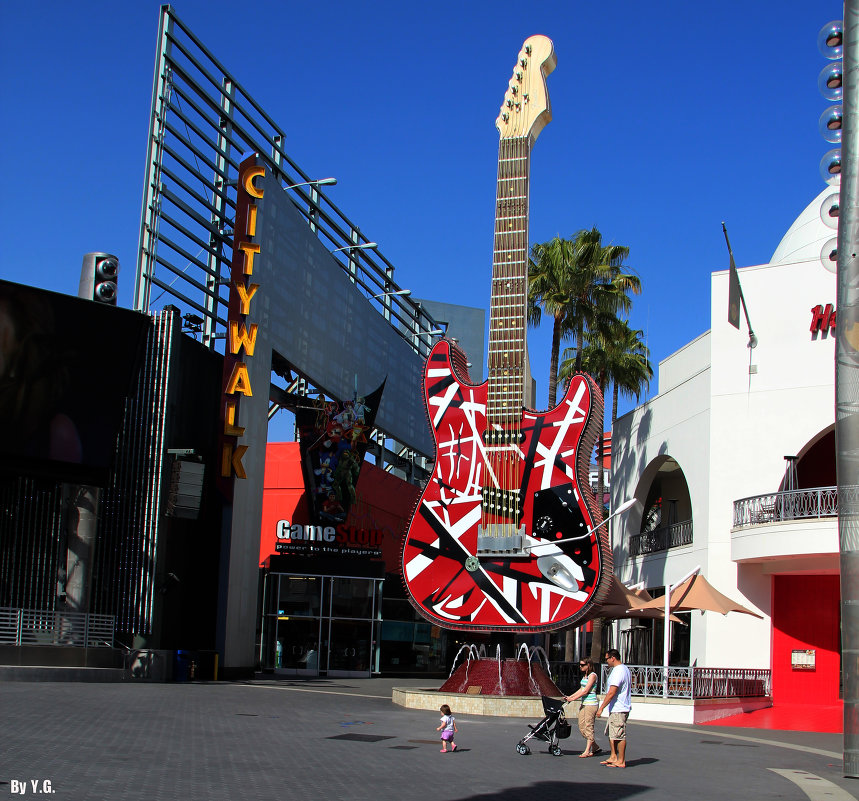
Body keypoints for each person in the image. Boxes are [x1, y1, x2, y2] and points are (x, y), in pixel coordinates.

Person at [596, 648, 631, 768]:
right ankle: (613, 756)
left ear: (613, 658)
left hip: (619, 708)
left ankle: (621, 760)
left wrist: (601, 708)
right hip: (616, 708)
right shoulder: (622, 669)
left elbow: (612, 692)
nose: (606, 661)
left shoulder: (619, 671)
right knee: (613, 734)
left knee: (619, 735)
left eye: (607, 659)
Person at [564, 657, 602, 757]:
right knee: (581, 727)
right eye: (580, 665)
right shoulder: (585, 676)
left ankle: (587, 750)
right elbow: (581, 689)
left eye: (582, 665)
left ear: (588, 665)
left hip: (591, 704)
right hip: (584, 703)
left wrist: (573, 699)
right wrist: (570, 696)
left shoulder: (593, 676)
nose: (580, 667)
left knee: (588, 726)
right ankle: (595, 747)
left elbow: (586, 691)